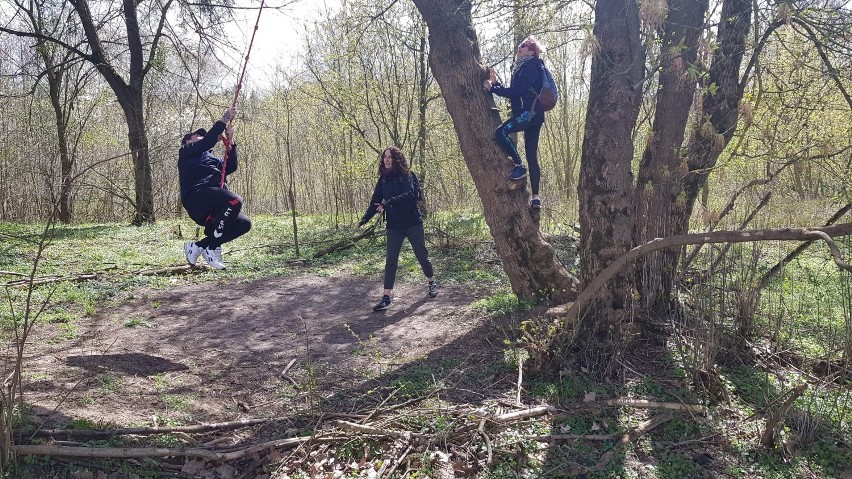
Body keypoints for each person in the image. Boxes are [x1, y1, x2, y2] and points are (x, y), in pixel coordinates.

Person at [357, 147, 437, 311]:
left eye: (390, 157)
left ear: (397, 159)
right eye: (385, 157)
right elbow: (376, 201)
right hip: (394, 226)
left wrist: (389, 202)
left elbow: (410, 195)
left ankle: (431, 282)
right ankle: (386, 297)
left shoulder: (407, 175)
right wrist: (365, 219)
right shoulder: (383, 180)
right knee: (390, 261)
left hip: (413, 223)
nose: (386, 160)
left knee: (422, 256)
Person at [178, 107, 252, 270]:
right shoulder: (186, 152)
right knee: (234, 200)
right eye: (196, 135)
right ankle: (213, 248)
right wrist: (225, 118)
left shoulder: (212, 160)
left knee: (244, 224)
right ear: (188, 142)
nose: (201, 137)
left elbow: (231, 166)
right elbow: (207, 141)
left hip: (214, 203)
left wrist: (230, 141)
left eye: (202, 135)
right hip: (196, 198)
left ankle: (197, 246)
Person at [483, 35, 547, 209]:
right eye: (520, 44)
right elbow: (518, 91)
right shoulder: (525, 67)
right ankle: (535, 198)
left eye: (524, 45)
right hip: (534, 115)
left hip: (530, 114)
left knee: (501, 132)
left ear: (531, 51)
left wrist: (493, 88)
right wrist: (498, 84)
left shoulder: (531, 66)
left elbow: (517, 91)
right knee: (532, 155)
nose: (520, 47)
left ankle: (519, 165)